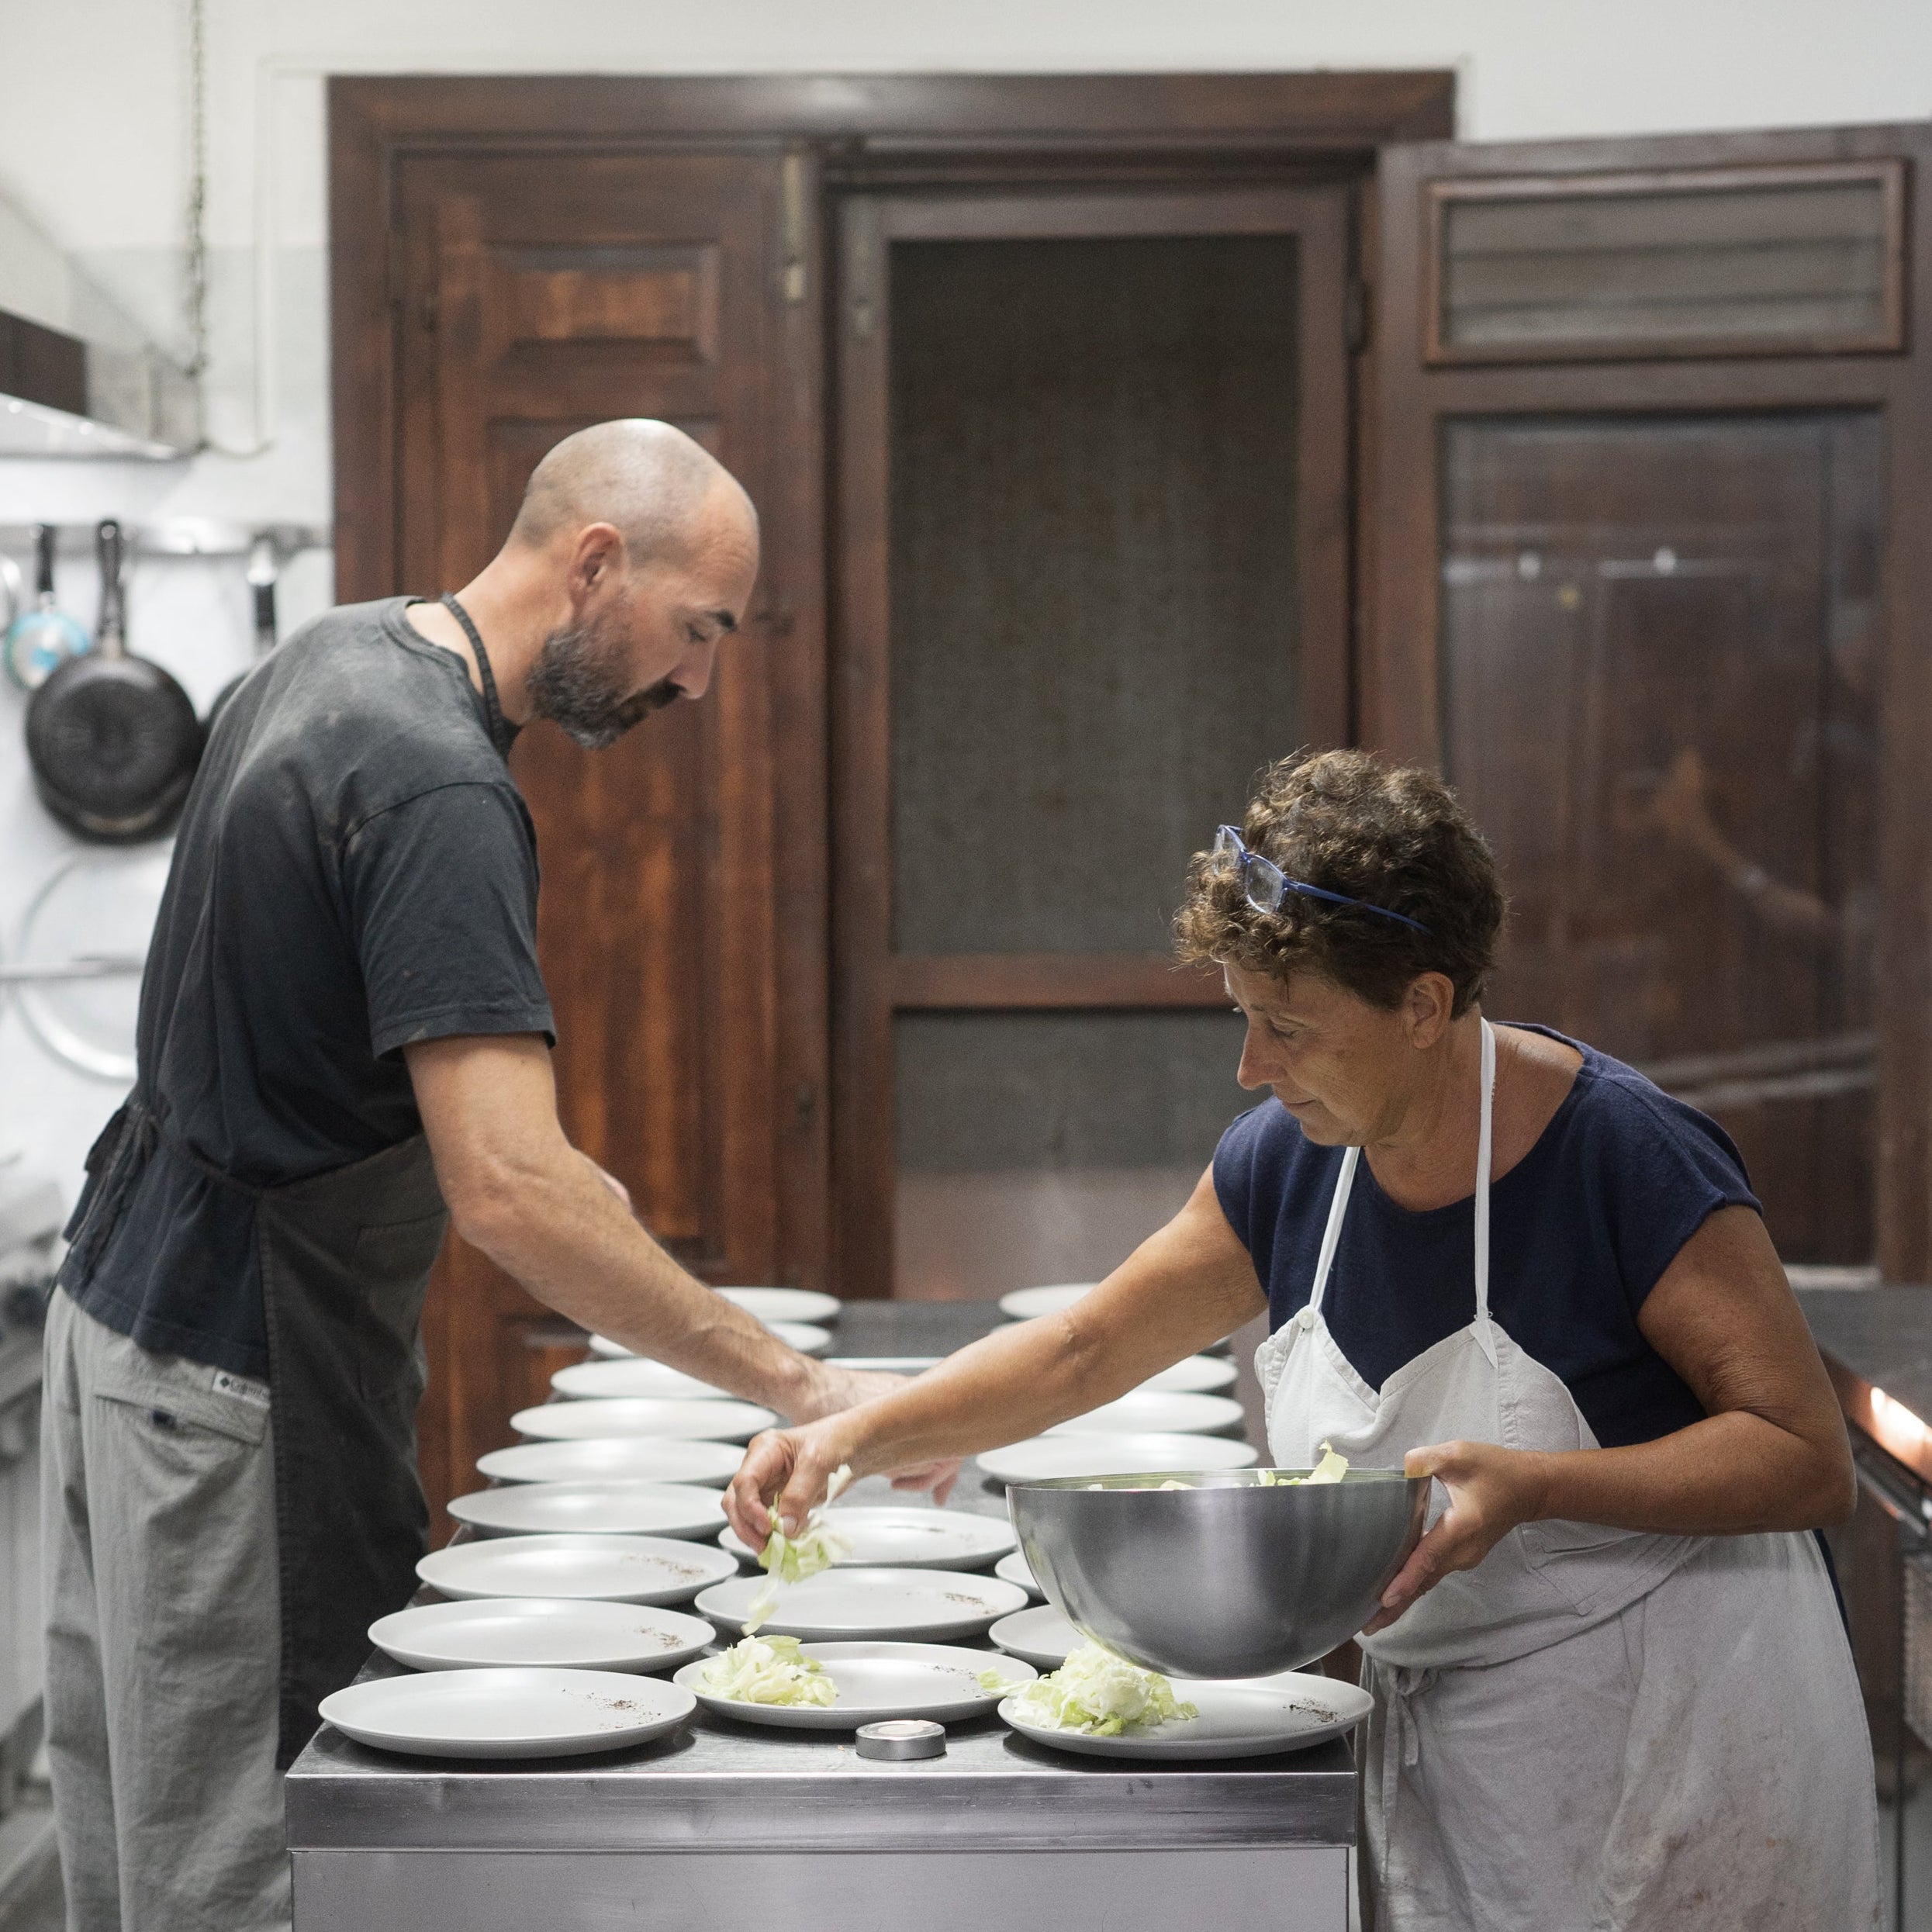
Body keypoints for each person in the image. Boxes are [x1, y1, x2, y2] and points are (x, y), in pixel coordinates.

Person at [728, 748, 1880, 1931]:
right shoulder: (1291, 1166)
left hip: (1686, 1737)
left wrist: (1536, 1487)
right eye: (1242, 1018)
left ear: (1425, 1007)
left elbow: (1803, 1457)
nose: (1251, 1066)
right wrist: (850, 1439)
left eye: (1287, 1027)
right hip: (1473, 1752)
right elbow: (1086, 1349)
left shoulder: (1624, 1160)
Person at [43, 420, 945, 1932]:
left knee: (133, 1841)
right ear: (597, 562)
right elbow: (511, 1186)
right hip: (229, 1374)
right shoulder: (434, 786)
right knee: (249, 1867)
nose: (700, 681)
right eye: (699, 628)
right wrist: (796, 1384)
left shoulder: (326, 660)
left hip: (117, 1326)